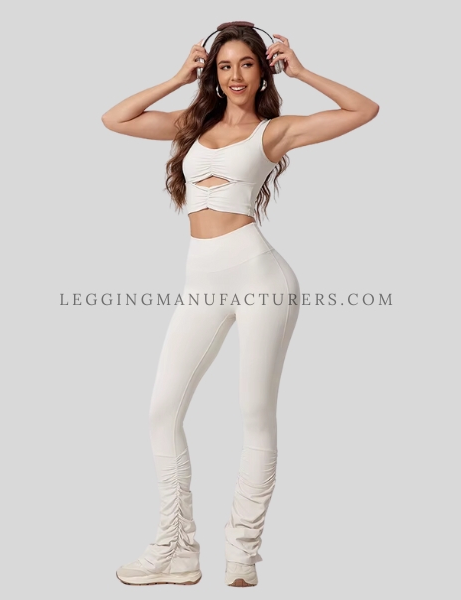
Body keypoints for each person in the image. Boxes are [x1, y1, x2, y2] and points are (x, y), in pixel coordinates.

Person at [102, 23, 379, 588]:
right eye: (224, 65)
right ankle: (177, 550)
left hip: (260, 277)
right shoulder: (191, 126)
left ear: (262, 72)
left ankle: (242, 554)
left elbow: (364, 109)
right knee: (162, 411)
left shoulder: (273, 132)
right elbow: (116, 119)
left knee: (254, 414)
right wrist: (177, 78)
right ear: (213, 73)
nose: (235, 76)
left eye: (246, 64)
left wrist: (302, 71)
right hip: (200, 282)